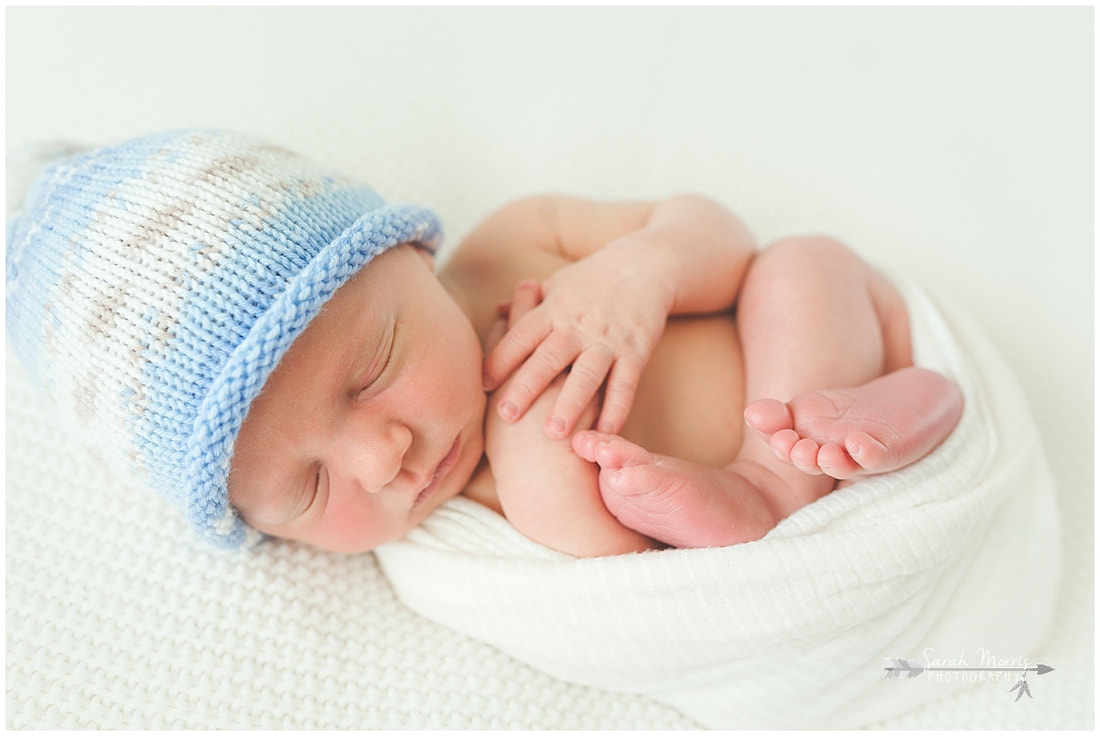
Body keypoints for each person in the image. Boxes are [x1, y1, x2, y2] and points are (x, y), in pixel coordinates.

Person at [6, 130, 963, 558]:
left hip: (809, 358)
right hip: (740, 515)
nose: (383, 459)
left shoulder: (515, 245)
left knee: (802, 262)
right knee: (548, 455)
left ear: (407, 256)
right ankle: (827, 461)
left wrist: (644, 268)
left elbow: (719, 234)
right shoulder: (453, 545)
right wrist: (531, 451)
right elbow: (611, 583)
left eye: (372, 370)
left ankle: (791, 464)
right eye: (306, 490)